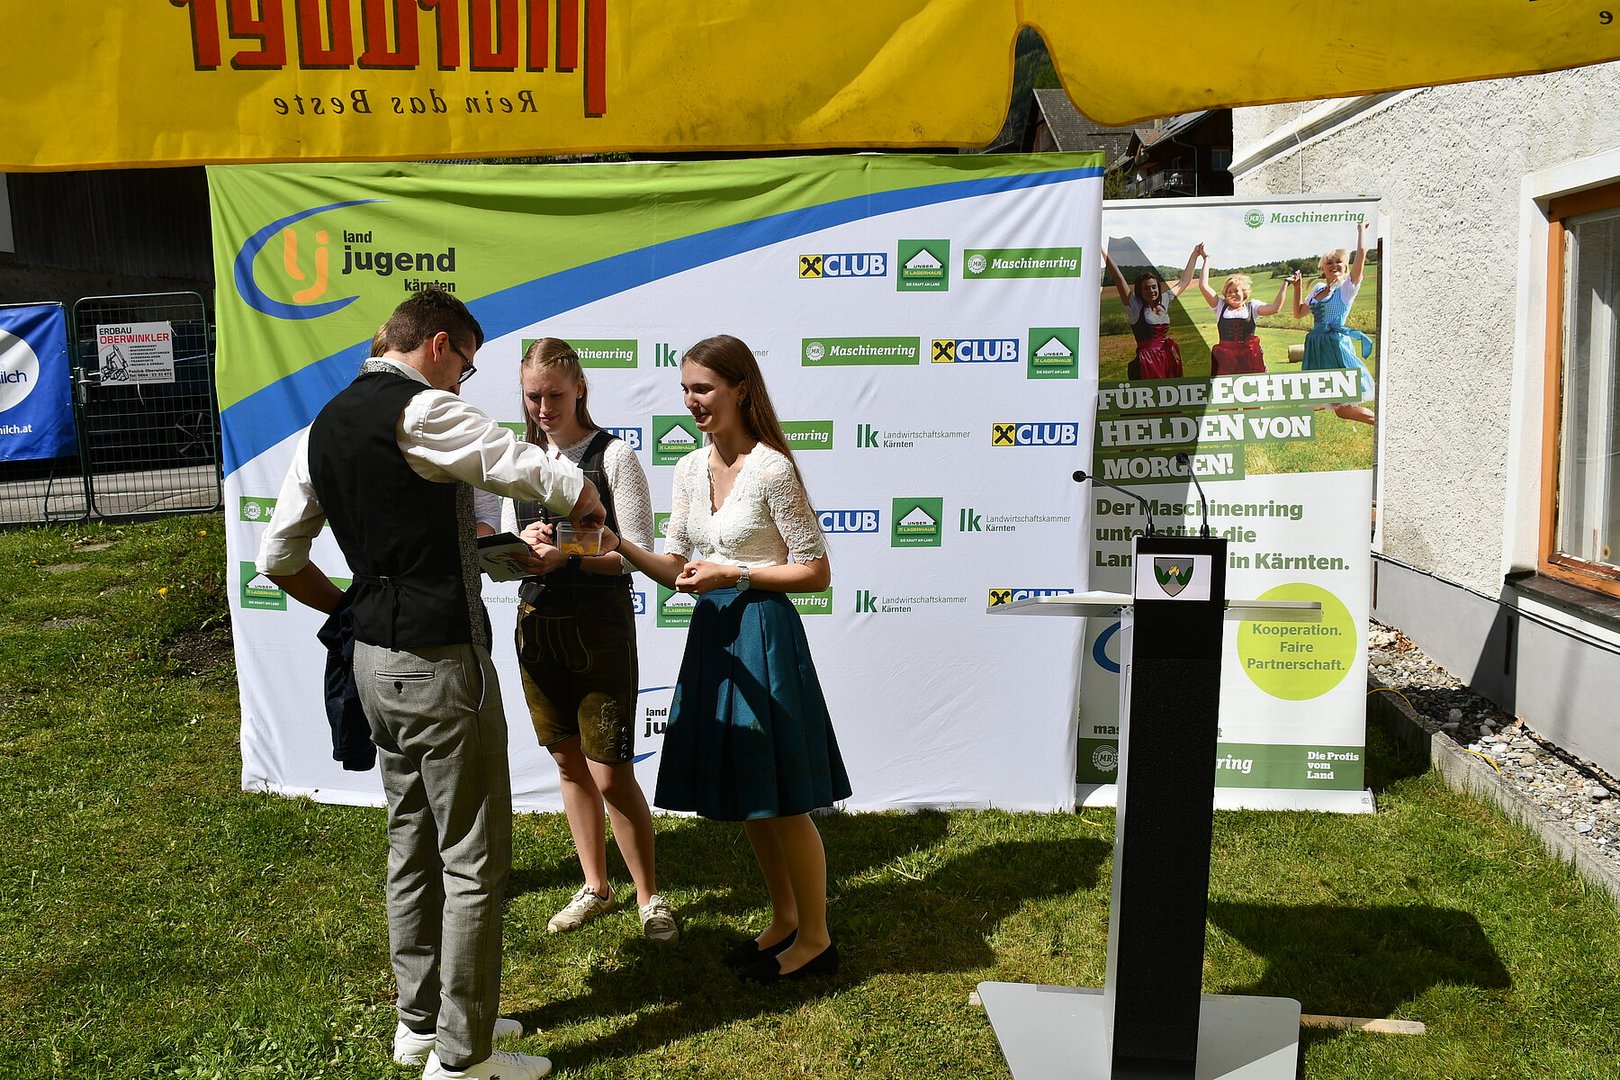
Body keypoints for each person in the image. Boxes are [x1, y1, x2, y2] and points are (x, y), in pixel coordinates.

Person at [257, 288, 604, 1080]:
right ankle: (462, 1057)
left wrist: (351, 605)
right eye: (466, 366)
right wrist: (584, 495)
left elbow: (278, 558)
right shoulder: (420, 409)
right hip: (441, 662)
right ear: (439, 344)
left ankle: (420, 1025)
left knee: (410, 841)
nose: (461, 382)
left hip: (372, 660)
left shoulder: (322, 426)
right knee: (474, 858)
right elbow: (520, 462)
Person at [608, 334, 850, 982]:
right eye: (686, 389)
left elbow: (816, 572)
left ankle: (817, 939)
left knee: (785, 798)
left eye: (704, 388)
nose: (692, 401)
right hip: (715, 635)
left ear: (741, 389)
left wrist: (735, 574)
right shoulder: (689, 468)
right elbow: (676, 566)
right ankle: (784, 918)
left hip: (764, 634)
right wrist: (618, 544)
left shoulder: (772, 469)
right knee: (752, 791)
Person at [496, 338, 676, 942]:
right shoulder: (519, 459)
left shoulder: (614, 455)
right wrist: (523, 549)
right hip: (536, 623)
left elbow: (633, 554)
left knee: (611, 769)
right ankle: (596, 887)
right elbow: (509, 545)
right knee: (568, 762)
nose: (543, 407)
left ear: (580, 390)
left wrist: (567, 555)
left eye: (554, 395)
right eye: (532, 396)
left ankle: (649, 897)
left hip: (599, 627)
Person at [1291, 221, 1377, 424]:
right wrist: (1297, 287)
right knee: (1340, 408)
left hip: (1335, 346)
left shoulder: (1347, 288)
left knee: (1343, 406)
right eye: (1329, 262)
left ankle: (1381, 421)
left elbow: (1361, 253)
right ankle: (1381, 421)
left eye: (1339, 261)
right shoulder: (1318, 288)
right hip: (1316, 347)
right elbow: (1298, 313)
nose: (1334, 265)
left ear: (1346, 266)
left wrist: (1361, 231)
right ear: (1323, 268)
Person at [1102, 244, 1203, 379]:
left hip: (1167, 357)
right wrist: (1102, 250)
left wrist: (1195, 254)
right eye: (1146, 288)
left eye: (1154, 287)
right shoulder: (1134, 306)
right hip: (1147, 361)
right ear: (1140, 291)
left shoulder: (1164, 300)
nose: (1151, 291)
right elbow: (1119, 278)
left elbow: (1184, 282)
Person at [1194, 257, 1289, 376]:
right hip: (1225, 358)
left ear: (1243, 293)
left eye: (1236, 291)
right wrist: (1206, 259)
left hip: (1249, 357)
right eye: (1229, 292)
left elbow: (1275, 308)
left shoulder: (1252, 307)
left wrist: (1286, 283)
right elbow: (1203, 286)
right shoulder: (1220, 306)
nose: (1232, 294)